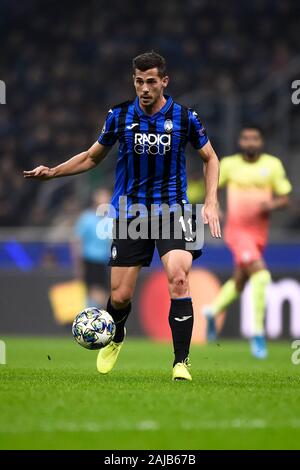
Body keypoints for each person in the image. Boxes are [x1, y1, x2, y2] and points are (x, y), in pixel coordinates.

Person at [24, 51, 221, 381]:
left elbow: (211, 158)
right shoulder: (119, 116)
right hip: (130, 212)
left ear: (164, 82)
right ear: (134, 81)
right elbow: (91, 158)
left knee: (179, 278)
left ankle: (181, 362)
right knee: (119, 296)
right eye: (139, 82)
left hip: (174, 210)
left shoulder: (186, 118)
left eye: (151, 82)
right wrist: (54, 172)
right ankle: (116, 335)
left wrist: (212, 201)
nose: (144, 88)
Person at [203, 126, 292, 358]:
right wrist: (215, 206)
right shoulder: (230, 164)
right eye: (246, 138)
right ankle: (258, 334)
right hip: (237, 232)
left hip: (259, 235)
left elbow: (284, 198)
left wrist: (269, 205)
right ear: (240, 142)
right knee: (261, 275)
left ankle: (212, 311)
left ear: (261, 141)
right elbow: (212, 186)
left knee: (240, 281)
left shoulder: (272, 165)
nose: (250, 142)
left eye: (255, 138)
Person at [73, 189, 112, 309]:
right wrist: (78, 264)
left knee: (105, 292)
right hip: (91, 260)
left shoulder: (111, 219)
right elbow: (77, 241)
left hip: (106, 262)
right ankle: (98, 319)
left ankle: (100, 318)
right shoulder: (86, 218)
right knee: (95, 291)